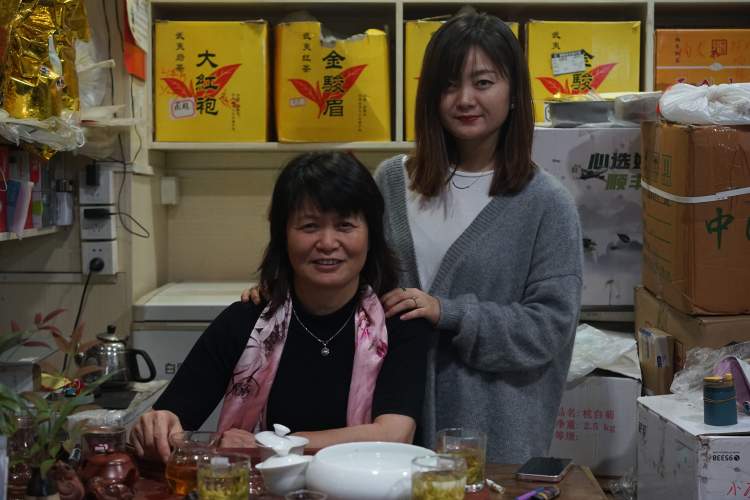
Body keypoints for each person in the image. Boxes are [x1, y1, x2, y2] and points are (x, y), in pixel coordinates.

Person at [373, 11, 583, 463]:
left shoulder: (547, 203)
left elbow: (549, 328)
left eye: (483, 82)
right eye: (449, 85)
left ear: (514, 93)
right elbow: (356, 284)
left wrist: (449, 313)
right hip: (390, 434)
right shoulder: (390, 182)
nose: (465, 99)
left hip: (493, 442)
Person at [130, 152, 432, 462]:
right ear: (283, 236)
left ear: (371, 236)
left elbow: (394, 434)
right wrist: (157, 425)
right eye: (309, 226)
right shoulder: (246, 321)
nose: (328, 243)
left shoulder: (398, 323)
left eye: (345, 225)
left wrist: (272, 443)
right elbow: (172, 419)